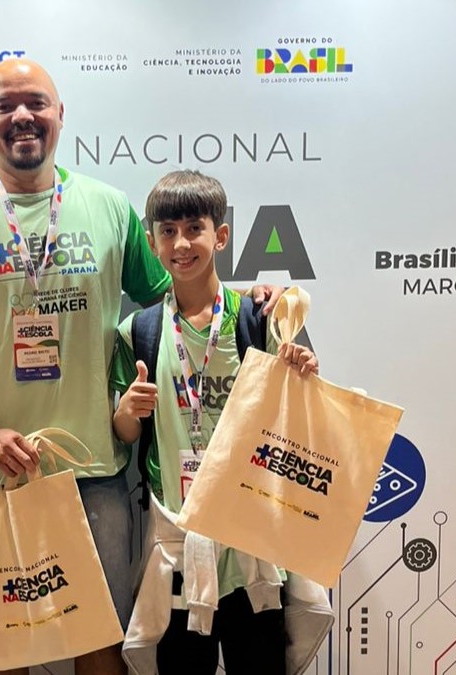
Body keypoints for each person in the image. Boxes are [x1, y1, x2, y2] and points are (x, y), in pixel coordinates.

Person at [0, 59, 282, 675]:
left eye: (36, 103)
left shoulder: (107, 207)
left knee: (99, 638)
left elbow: (181, 292)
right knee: (5, 646)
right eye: (5, 106)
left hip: (96, 472)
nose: (22, 116)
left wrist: (252, 299)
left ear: (59, 116)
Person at [111, 169, 323, 674]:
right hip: (179, 544)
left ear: (220, 235)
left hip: (252, 540)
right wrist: (125, 413)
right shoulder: (136, 332)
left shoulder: (257, 318)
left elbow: (303, 415)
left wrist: (303, 369)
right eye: (167, 231)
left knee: (260, 663)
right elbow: (125, 436)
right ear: (151, 239)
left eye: (194, 228)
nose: (181, 243)